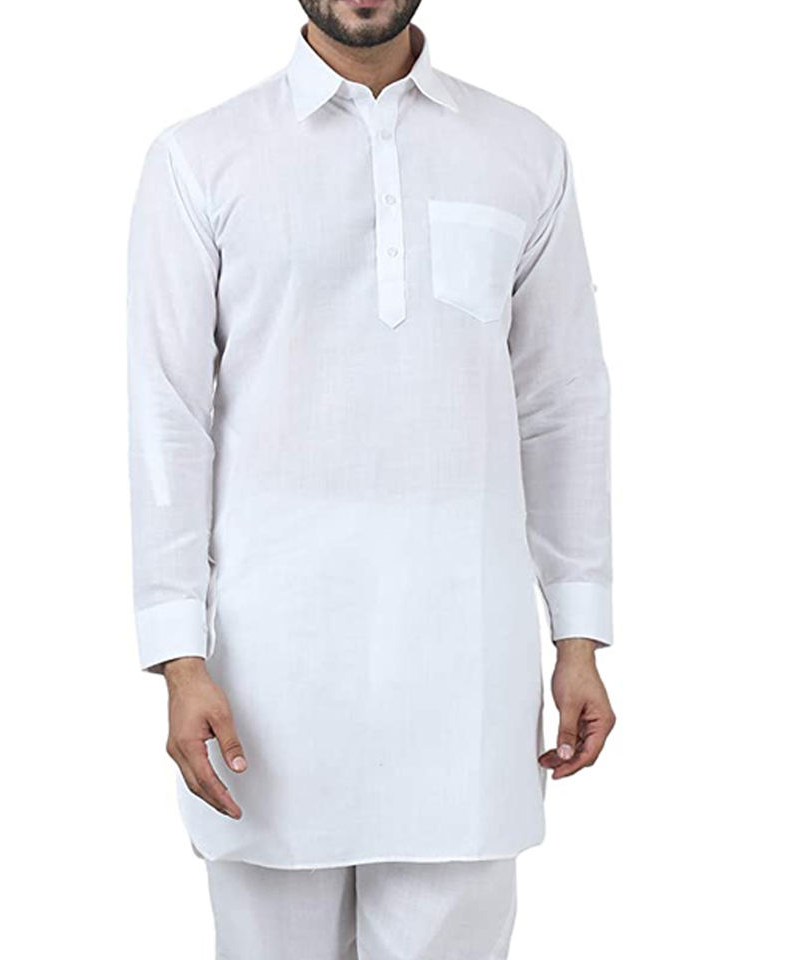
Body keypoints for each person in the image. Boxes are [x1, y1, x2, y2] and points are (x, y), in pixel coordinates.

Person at [126, 1, 616, 956]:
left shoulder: (521, 153)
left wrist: (580, 635)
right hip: (267, 678)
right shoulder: (202, 158)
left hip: (466, 673)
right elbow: (167, 417)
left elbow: (562, 404)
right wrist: (178, 657)